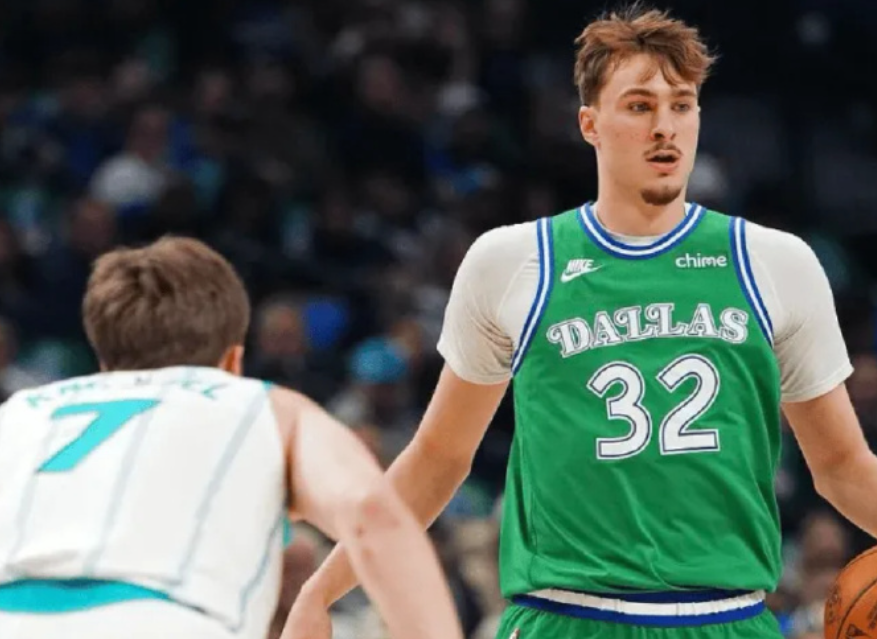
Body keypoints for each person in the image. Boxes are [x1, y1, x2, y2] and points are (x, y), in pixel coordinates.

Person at [284, 5, 877, 639]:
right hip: (564, 616)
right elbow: (438, 459)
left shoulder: (775, 262)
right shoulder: (513, 262)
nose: (664, 127)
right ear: (590, 124)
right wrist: (322, 589)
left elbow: (842, 466)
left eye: (681, 105)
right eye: (639, 106)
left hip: (727, 617)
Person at [0, 236, 464, 639]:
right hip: (162, 618)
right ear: (233, 362)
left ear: (105, 361)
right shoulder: (264, 405)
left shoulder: (20, 411)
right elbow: (371, 514)